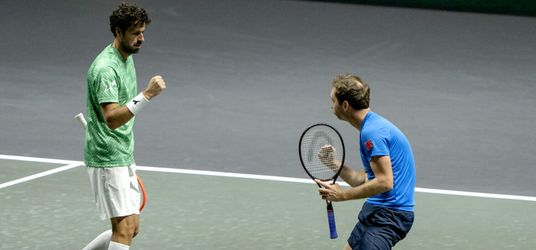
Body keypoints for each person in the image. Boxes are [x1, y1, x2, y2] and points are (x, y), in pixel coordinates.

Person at [82, 3, 166, 250]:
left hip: (122, 152)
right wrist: (147, 95)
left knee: (131, 228)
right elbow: (112, 119)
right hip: (107, 156)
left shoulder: (125, 57)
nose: (141, 38)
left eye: (142, 32)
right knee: (123, 229)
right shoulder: (105, 69)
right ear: (118, 33)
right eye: (135, 33)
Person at [316, 74, 415, 250]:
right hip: (375, 210)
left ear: (345, 105)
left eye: (333, 101)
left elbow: (385, 182)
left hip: (390, 215)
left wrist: (343, 195)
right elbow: (364, 180)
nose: (331, 106)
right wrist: (332, 163)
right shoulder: (371, 127)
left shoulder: (372, 132)